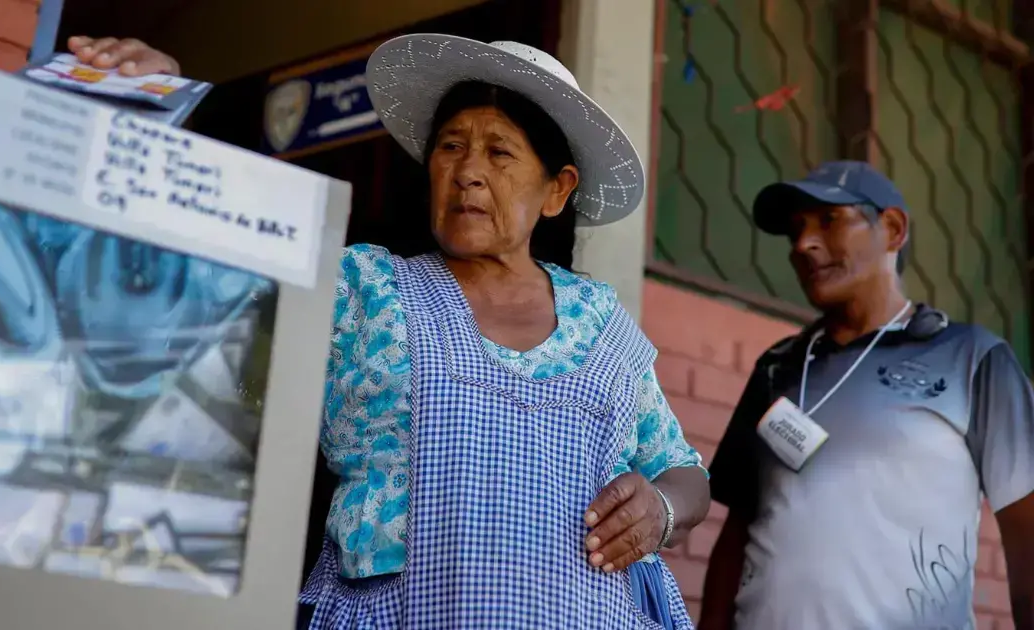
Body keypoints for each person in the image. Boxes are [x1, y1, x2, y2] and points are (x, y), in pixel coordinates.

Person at [66, 34, 711, 629]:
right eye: (451, 147)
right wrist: (164, 118)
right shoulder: (363, 288)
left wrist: (661, 511)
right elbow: (209, 288)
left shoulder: (602, 320)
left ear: (556, 190)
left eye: (500, 153)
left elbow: (684, 474)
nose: (467, 172)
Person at [698, 161, 1034, 629]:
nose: (802, 244)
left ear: (892, 229)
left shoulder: (973, 359)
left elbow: (1026, 531)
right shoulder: (777, 368)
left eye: (828, 221)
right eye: (795, 230)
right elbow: (739, 532)